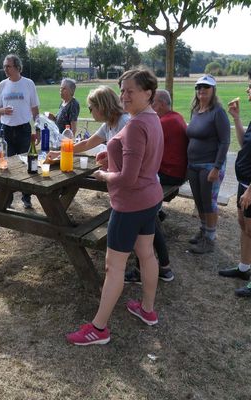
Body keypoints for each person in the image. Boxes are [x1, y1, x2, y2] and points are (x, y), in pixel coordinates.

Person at [66, 67, 164, 346]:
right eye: (122, 90)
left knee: (114, 266)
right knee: (146, 254)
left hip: (130, 204)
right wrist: (112, 160)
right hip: (150, 199)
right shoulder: (151, 117)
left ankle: (98, 329)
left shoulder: (134, 125)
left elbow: (128, 179)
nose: (124, 95)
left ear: (148, 93)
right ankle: (147, 310)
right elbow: (142, 164)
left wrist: (105, 174)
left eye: (130, 90)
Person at [125, 89, 188, 284]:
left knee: (142, 213)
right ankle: (163, 267)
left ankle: (147, 269)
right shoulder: (176, 117)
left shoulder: (162, 122)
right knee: (149, 217)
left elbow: (141, 147)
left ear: (158, 104)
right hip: (175, 173)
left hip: (168, 175)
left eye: (152, 103)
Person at [186, 75, 230, 254]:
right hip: (193, 165)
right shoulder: (195, 110)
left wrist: (217, 167)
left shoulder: (217, 112)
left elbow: (225, 141)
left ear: (213, 90)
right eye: (198, 87)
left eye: (206, 87)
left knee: (209, 202)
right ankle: (203, 231)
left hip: (210, 166)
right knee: (199, 201)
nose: (201, 90)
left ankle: (210, 240)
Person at [218, 72, 251, 297]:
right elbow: (243, 143)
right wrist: (237, 118)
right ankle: (244, 268)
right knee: (243, 224)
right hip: (244, 181)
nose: (248, 90)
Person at [0, 54, 40, 209]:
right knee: (6, 165)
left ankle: (26, 198)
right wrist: (3, 110)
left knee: (26, 164)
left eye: (8, 66)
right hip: (6, 130)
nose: (5, 69)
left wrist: (38, 128)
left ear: (17, 67)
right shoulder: (2, 85)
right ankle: (7, 200)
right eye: (4, 66)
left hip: (23, 130)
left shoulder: (28, 84)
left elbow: (35, 109)